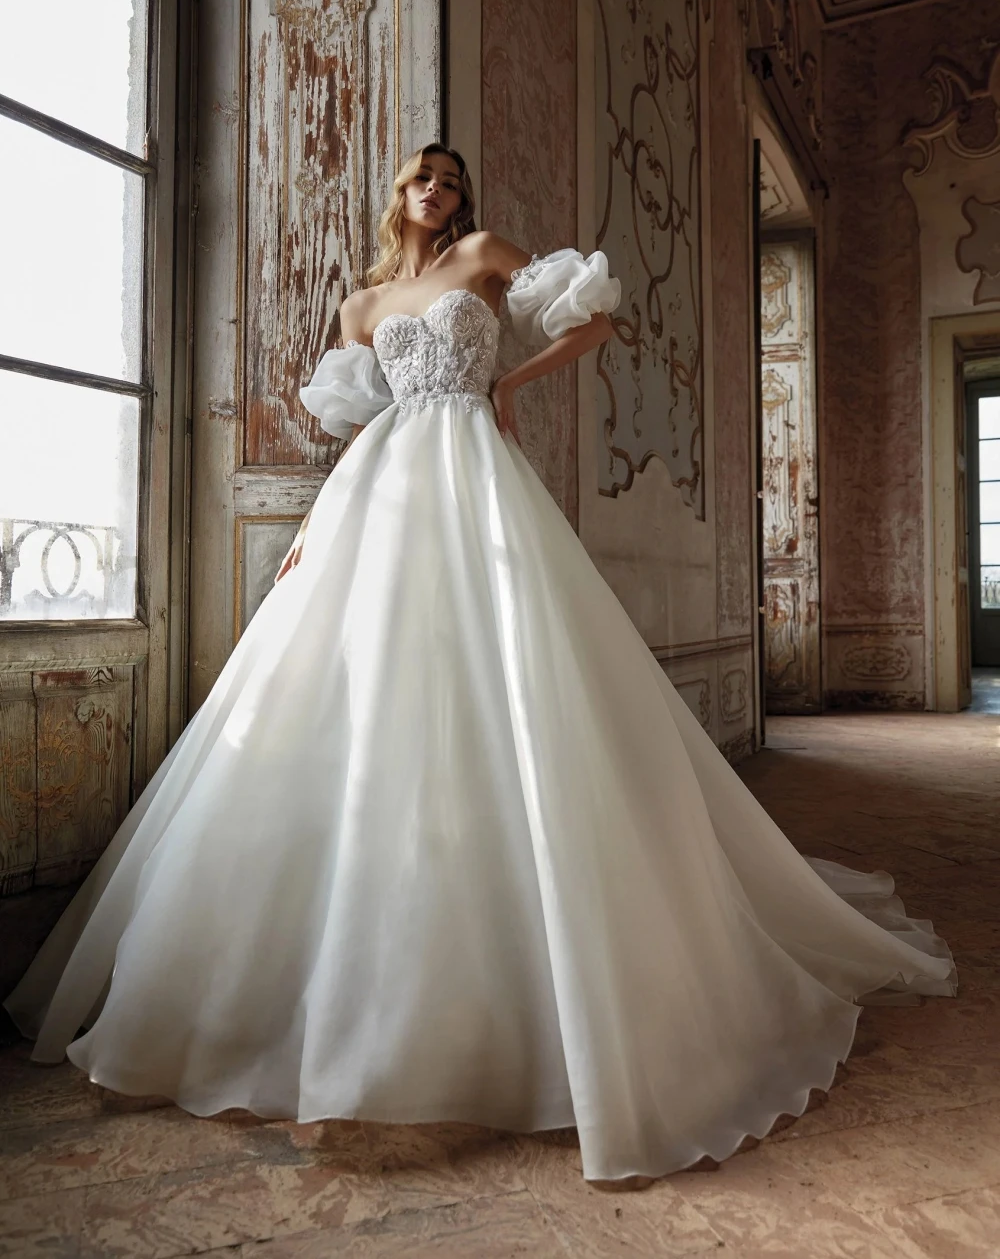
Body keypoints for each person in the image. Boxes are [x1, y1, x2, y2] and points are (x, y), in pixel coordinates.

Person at [5, 143, 956, 1185]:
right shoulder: (362, 305)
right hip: (384, 485)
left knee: (514, 669)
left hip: (475, 468)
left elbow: (594, 318)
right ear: (396, 191)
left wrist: (510, 379)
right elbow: (359, 426)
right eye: (424, 176)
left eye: (452, 180)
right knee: (359, 692)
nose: (438, 190)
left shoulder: (486, 257)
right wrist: (317, 527)